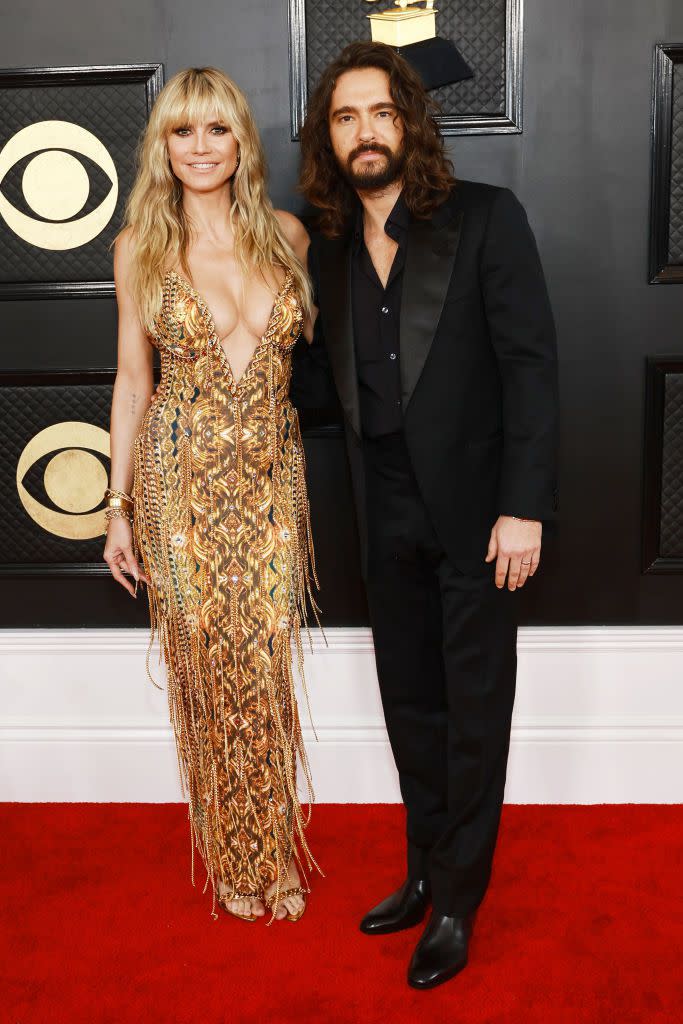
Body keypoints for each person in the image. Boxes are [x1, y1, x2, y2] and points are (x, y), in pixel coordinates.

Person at [293, 41, 559, 987]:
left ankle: (457, 898)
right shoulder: (322, 247)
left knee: (473, 713)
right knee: (410, 704)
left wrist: (522, 508)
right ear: (328, 137)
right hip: (380, 507)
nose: (364, 132)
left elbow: (530, 368)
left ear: (408, 121)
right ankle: (420, 870)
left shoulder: (484, 219)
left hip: (481, 518)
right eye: (344, 116)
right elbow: (317, 386)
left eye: (380, 112)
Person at [103, 66, 320, 924]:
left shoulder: (286, 237)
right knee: (206, 673)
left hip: (268, 480)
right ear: (162, 145)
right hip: (179, 483)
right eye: (182, 131)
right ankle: (234, 856)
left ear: (241, 142)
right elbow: (130, 382)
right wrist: (117, 511)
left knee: (262, 667)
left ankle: (275, 848)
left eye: (217, 130)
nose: (200, 148)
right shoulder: (138, 248)